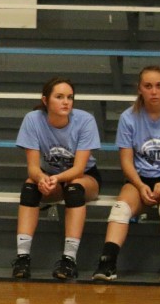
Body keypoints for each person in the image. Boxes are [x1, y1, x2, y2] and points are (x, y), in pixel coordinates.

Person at [92, 65, 160, 284]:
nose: (154, 91)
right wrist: (140, 186)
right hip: (140, 178)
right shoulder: (128, 117)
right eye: (148, 86)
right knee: (121, 208)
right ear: (139, 89)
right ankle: (107, 263)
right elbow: (126, 161)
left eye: (159, 86)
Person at [11, 77, 102, 281]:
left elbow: (79, 169)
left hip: (84, 177)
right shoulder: (33, 120)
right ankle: (22, 258)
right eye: (59, 97)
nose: (66, 102)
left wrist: (55, 178)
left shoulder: (85, 120)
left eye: (70, 97)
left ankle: (69, 260)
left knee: (74, 189)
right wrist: (42, 179)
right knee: (30, 188)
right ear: (45, 100)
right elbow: (33, 168)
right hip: (50, 175)